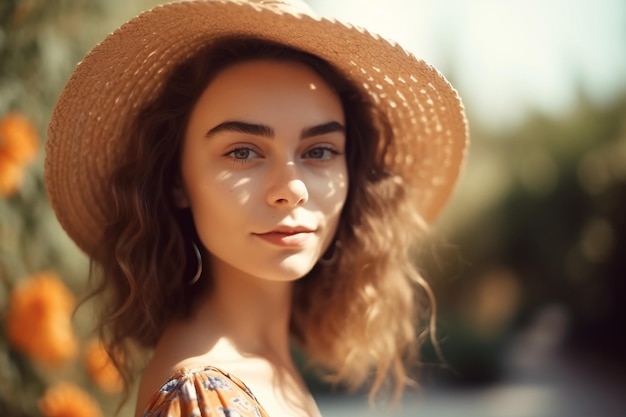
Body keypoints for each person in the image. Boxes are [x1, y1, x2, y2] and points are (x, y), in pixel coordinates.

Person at [45, 0, 468, 416]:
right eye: (244, 152)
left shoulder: (260, 365)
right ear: (177, 181)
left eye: (319, 150)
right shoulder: (201, 397)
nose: (292, 189)